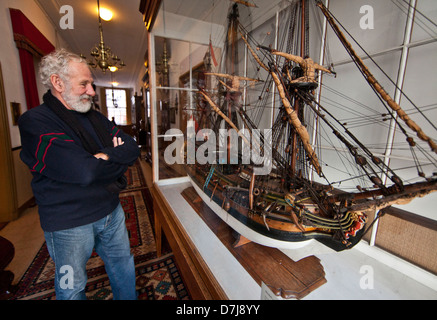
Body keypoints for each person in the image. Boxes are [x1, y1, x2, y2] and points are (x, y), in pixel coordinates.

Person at [18, 49, 140, 300]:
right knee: (71, 287)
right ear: (57, 82)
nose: (92, 91)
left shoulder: (94, 116)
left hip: (111, 210)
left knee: (124, 266)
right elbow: (85, 172)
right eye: (84, 84)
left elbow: (131, 148)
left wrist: (102, 157)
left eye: (92, 84)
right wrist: (109, 157)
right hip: (68, 222)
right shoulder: (35, 121)